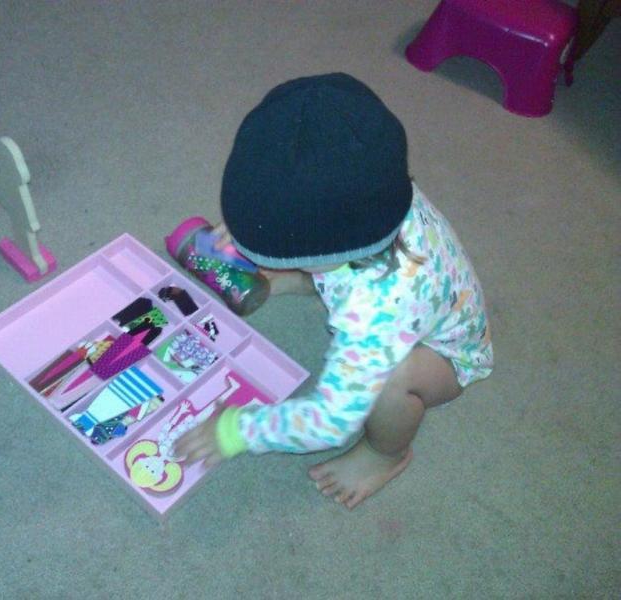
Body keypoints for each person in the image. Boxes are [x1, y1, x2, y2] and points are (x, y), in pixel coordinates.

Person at [174, 73, 494, 510]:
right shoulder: (375, 189)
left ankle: (387, 454)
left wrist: (236, 430)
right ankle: (303, 273)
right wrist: (256, 223)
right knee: (326, 254)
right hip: (403, 286)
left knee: (389, 383)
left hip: (446, 354)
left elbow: (329, 422)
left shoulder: (374, 308)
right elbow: (315, 221)